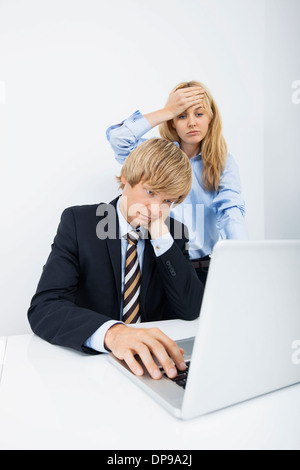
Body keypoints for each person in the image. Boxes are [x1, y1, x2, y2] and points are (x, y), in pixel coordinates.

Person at [28, 138, 204, 381]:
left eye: (167, 201)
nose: (155, 208)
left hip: (153, 367)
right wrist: (113, 333)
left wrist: (161, 237)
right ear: (125, 178)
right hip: (91, 369)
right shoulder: (80, 223)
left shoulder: (174, 233)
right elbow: (45, 307)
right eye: (150, 192)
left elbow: (190, 308)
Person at [107, 80, 249, 284]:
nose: (191, 123)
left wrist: (243, 254)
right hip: (158, 263)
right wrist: (168, 110)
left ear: (210, 117)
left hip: (203, 268)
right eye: (182, 116)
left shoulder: (223, 163)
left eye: (199, 114)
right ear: (173, 121)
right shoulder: (155, 156)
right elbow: (119, 139)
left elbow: (231, 211)